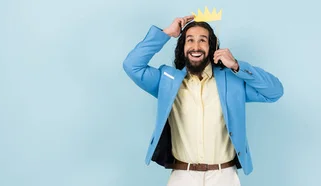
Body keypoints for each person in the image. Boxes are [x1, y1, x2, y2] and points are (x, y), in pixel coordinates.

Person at [122, 15, 284, 186]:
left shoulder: (232, 81)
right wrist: (166, 33)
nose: (196, 47)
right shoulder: (167, 80)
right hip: (182, 176)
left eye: (203, 40)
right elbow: (132, 65)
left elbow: (274, 92)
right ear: (182, 47)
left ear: (212, 46)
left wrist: (236, 65)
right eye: (190, 40)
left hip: (224, 176)